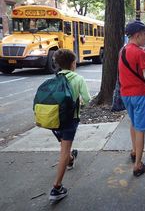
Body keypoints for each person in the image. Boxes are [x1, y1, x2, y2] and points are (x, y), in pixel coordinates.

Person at [49, 49, 91, 201]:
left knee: (65, 146)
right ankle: (57, 188)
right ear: (73, 63)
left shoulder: (55, 78)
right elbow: (87, 99)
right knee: (64, 152)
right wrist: (81, 104)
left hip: (54, 121)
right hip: (70, 120)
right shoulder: (78, 79)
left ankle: (71, 159)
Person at [118, 20, 145, 177]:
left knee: (134, 123)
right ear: (138, 35)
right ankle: (138, 165)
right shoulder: (140, 53)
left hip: (126, 94)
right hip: (139, 94)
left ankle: (134, 151)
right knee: (140, 128)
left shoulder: (123, 51)